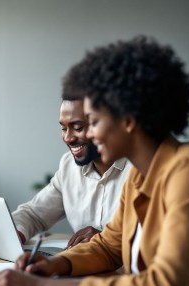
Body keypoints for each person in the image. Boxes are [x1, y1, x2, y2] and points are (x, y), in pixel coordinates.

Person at [0, 36, 189, 286]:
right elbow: (108, 247)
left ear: (128, 120)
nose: (86, 134)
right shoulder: (141, 173)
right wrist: (53, 266)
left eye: (93, 122)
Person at [11, 94, 131, 249]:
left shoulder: (139, 169)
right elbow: (34, 214)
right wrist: (16, 233)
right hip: (80, 268)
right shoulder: (69, 165)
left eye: (78, 128)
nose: (67, 138)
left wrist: (106, 239)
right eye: (63, 128)